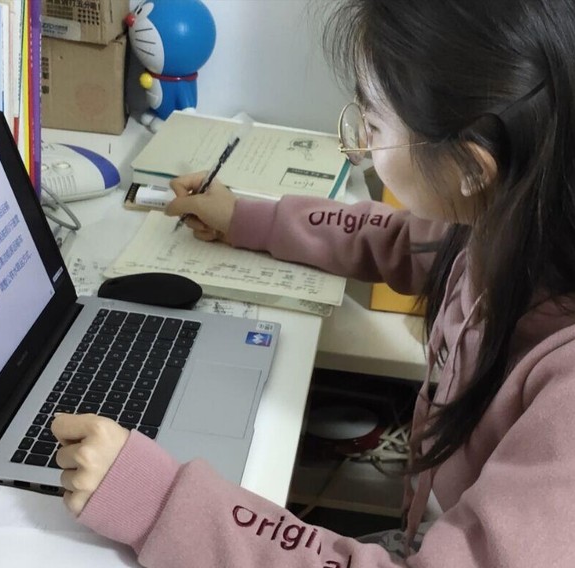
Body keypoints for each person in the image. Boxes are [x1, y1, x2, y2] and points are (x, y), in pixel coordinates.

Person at [51, 0, 575, 565]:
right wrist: (247, 218)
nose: (363, 144)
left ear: (471, 168)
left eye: (374, 125)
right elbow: (399, 239)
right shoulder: (510, 222)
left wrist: (156, 504)